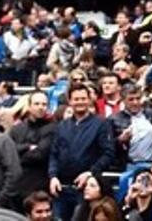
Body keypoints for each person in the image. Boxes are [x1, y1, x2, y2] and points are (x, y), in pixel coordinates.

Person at [50, 84, 117, 220]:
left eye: (83, 98)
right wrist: (53, 176)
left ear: (89, 100)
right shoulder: (62, 126)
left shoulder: (101, 124)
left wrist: (90, 172)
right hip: (61, 188)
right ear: (70, 101)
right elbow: (54, 154)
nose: (80, 102)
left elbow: (108, 154)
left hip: (85, 190)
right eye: (76, 99)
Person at [11, 90, 57, 202]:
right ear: (30, 106)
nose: (40, 107)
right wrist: (27, 147)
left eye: (44, 104)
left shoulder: (53, 128)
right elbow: (8, 152)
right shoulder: (17, 129)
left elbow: (39, 155)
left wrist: (18, 154)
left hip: (39, 185)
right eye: (37, 104)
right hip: (16, 186)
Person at [111, 85, 152, 168]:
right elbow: (107, 145)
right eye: (131, 99)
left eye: (138, 98)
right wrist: (120, 140)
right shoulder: (113, 119)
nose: (135, 102)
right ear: (123, 100)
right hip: (128, 164)